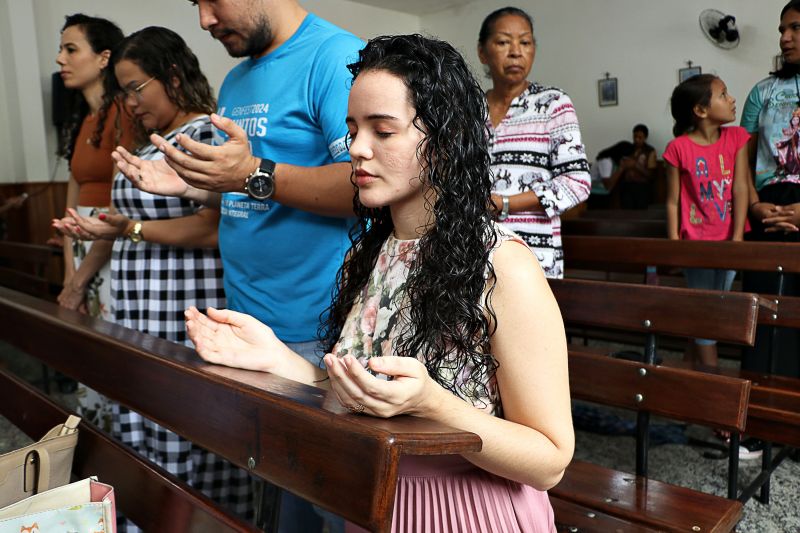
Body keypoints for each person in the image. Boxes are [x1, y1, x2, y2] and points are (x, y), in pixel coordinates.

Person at [184, 34, 574, 533]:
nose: (356, 149)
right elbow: (358, 395)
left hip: (466, 512)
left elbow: (549, 460)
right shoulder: (371, 255)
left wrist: (433, 403)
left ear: (445, 139)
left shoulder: (503, 266)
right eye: (353, 129)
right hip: (376, 502)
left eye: (382, 131)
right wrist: (275, 359)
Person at [110, 2, 363, 531]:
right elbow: (245, 196)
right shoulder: (237, 78)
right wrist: (190, 187)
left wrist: (252, 173)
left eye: (212, 0)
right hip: (248, 325)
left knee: (329, 504)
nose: (204, 19)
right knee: (276, 503)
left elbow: (367, 187)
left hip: (316, 327)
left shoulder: (334, 56)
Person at [54, 26, 253, 531]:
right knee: (140, 431)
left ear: (172, 75)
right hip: (139, 308)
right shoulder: (144, 145)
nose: (130, 102)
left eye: (136, 87)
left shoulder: (210, 137)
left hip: (185, 307)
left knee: (187, 436)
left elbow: (214, 229)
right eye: (123, 92)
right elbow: (126, 224)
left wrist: (134, 228)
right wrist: (101, 232)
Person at [54, 13, 132, 426]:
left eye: (71, 49)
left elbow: (121, 208)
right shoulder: (82, 118)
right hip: (80, 243)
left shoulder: (124, 112)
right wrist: (70, 274)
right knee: (85, 347)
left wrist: (81, 277)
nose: (60, 58)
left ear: (104, 58)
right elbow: (70, 197)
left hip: (110, 246)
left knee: (110, 352)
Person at [477, 6, 590, 279]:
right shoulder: (469, 108)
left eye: (525, 42)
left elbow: (578, 181)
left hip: (532, 253)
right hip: (474, 249)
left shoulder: (553, 103)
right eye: (503, 42)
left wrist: (505, 203)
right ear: (483, 51)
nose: (516, 51)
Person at [664, 74, 749, 370]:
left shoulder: (736, 138)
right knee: (708, 312)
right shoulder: (678, 148)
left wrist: (738, 238)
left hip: (728, 240)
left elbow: (740, 188)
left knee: (712, 306)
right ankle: (713, 380)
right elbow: (673, 201)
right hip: (696, 245)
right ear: (700, 110)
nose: (731, 99)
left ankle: (689, 367)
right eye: (723, 94)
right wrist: (675, 246)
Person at [740, 0, 800, 380]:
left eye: (794, 27)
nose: (785, 37)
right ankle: (757, 420)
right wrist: (754, 204)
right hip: (767, 204)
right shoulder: (762, 91)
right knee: (761, 313)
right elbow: (740, 158)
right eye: (782, 29)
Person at [619, 124, 658, 209]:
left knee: (641, 214)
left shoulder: (650, 151)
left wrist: (635, 165)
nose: (637, 139)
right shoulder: (628, 149)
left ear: (645, 138)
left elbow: (651, 175)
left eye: (640, 137)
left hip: (642, 188)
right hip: (627, 187)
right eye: (635, 137)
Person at [588, 141, 635, 210]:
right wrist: (622, 168)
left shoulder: (615, 162)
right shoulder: (606, 161)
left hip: (604, 194)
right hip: (595, 195)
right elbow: (608, 186)